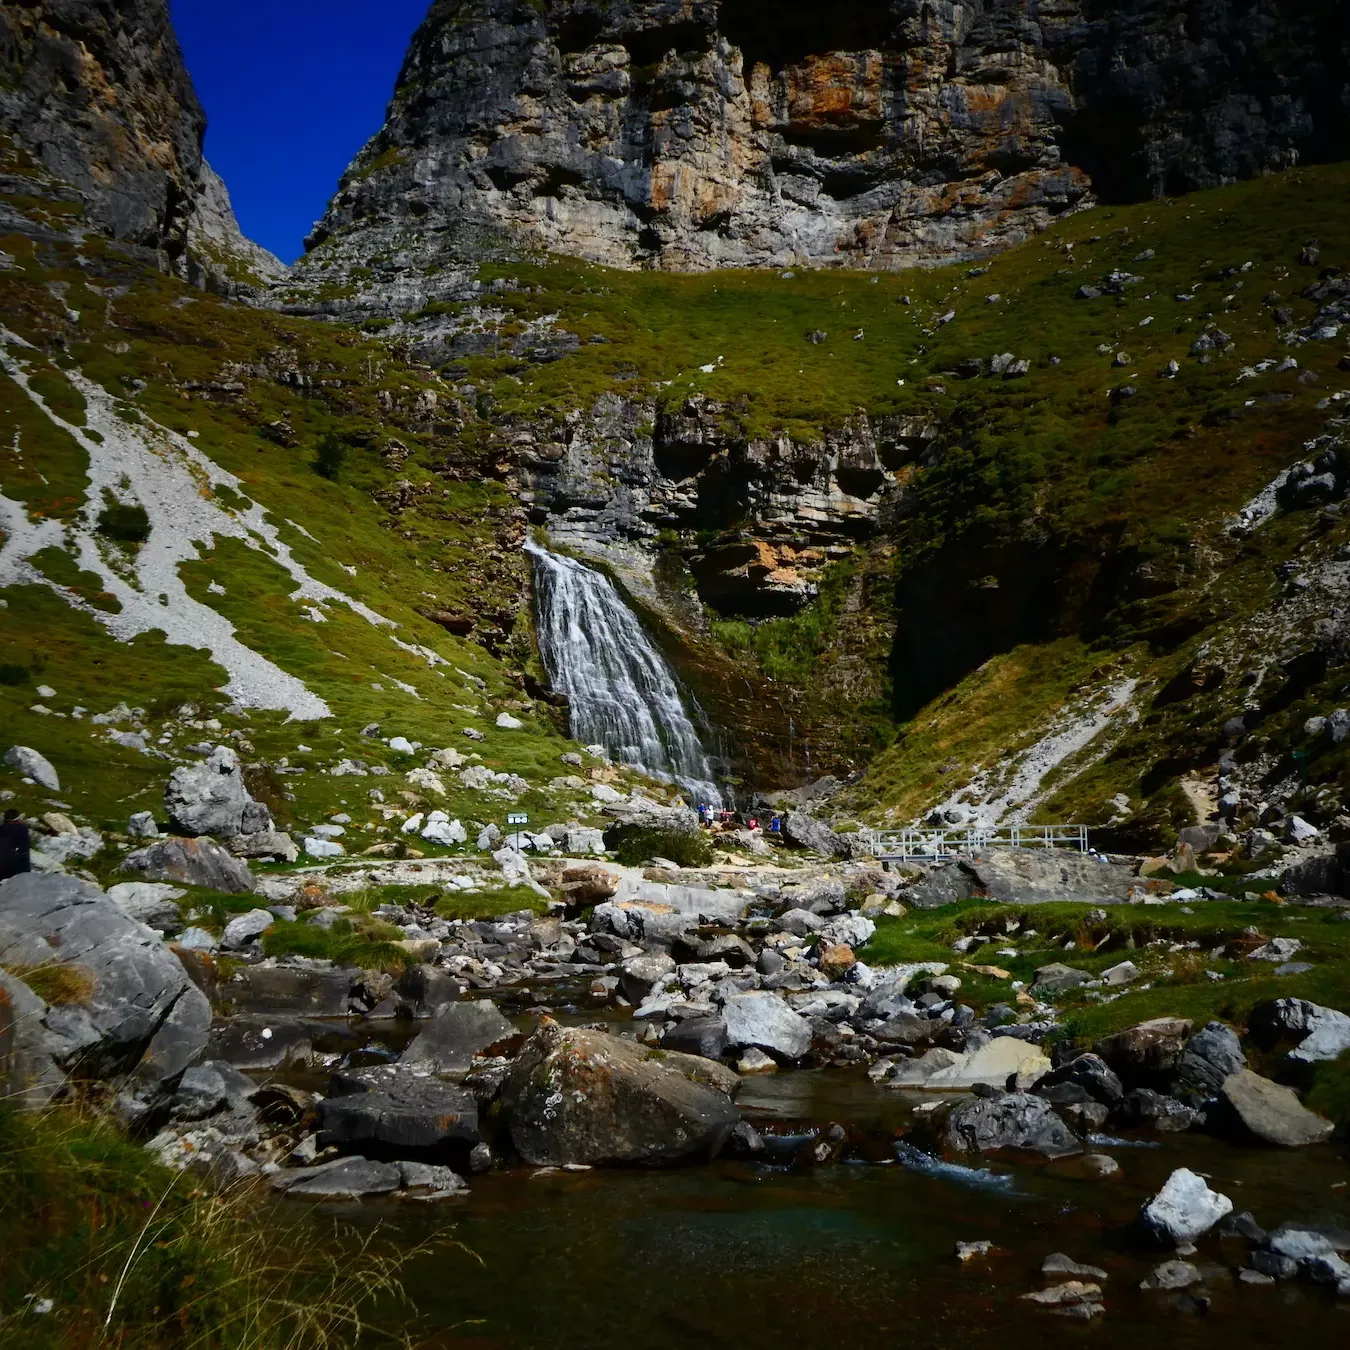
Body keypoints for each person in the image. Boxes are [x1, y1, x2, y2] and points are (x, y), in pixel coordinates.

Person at [0, 808, 31, 880]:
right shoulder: (23, 829)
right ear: (18, 819)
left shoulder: (1, 829)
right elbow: (25, 850)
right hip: (18, 870)